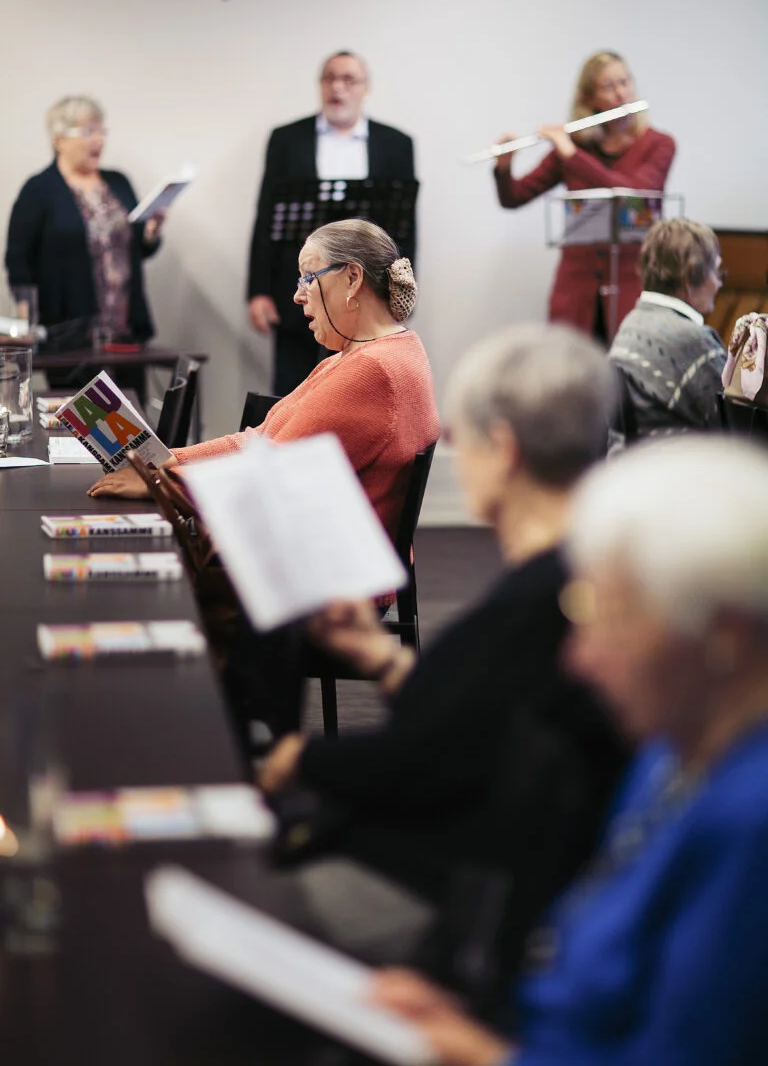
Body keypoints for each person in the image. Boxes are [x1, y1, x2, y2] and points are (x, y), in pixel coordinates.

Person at [371, 437, 768, 1066]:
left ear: (722, 636)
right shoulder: (669, 758)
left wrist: (485, 1057)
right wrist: (476, 1023)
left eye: (613, 618)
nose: (580, 658)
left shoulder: (749, 826)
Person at [257, 324, 627, 968]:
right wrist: (383, 659)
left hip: (465, 891)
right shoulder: (597, 578)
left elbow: (423, 763)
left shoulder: (527, 606)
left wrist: (302, 757)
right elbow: (480, 718)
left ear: (503, 449)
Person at [88, 218, 439, 544]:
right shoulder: (374, 353)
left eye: (308, 277)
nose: (298, 295)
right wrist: (165, 463)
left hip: (319, 582)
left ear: (352, 278)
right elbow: (257, 443)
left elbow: (267, 477)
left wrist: (159, 483)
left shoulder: (371, 371)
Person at [247, 51, 416, 395]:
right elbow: (265, 216)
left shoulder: (396, 144)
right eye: (329, 78)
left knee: (357, 391)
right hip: (297, 289)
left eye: (348, 79)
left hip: (365, 291)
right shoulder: (286, 139)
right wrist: (258, 290)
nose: (337, 87)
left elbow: (405, 225)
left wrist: (403, 286)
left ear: (365, 88)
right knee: (291, 393)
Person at [494, 51, 676, 339]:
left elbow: (632, 194)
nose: (621, 93)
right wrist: (504, 168)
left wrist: (571, 154)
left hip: (632, 286)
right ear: (590, 99)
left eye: (624, 82)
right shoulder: (574, 145)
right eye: (608, 87)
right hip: (576, 290)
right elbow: (514, 197)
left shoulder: (659, 145)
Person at [5, 96, 163, 395]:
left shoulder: (118, 182)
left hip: (126, 334)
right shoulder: (39, 189)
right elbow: (18, 259)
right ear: (59, 140)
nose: (99, 139)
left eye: (102, 131)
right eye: (88, 131)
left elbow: (137, 250)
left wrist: (151, 233)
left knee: (131, 427)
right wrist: (27, 318)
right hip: (69, 337)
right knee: (82, 428)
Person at [610, 217, 727, 441]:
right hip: (679, 468)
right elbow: (732, 432)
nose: (719, 283)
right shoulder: (694, 340)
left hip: (630, 467)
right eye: (717, 271)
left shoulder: (631, 322)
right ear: (690, 279)